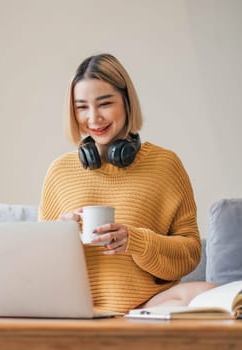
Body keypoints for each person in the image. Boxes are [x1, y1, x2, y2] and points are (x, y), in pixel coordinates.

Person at [39, 53, 215, 313]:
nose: (94, 118)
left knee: (207, 293)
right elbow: (39, 266)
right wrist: (60, 236)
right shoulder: (59, 171)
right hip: (79, 309)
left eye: (105, 103)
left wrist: (136, 241)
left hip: (146, 308)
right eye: (82, 107)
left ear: (126, 102)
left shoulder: (166, 165)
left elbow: (189, 254)